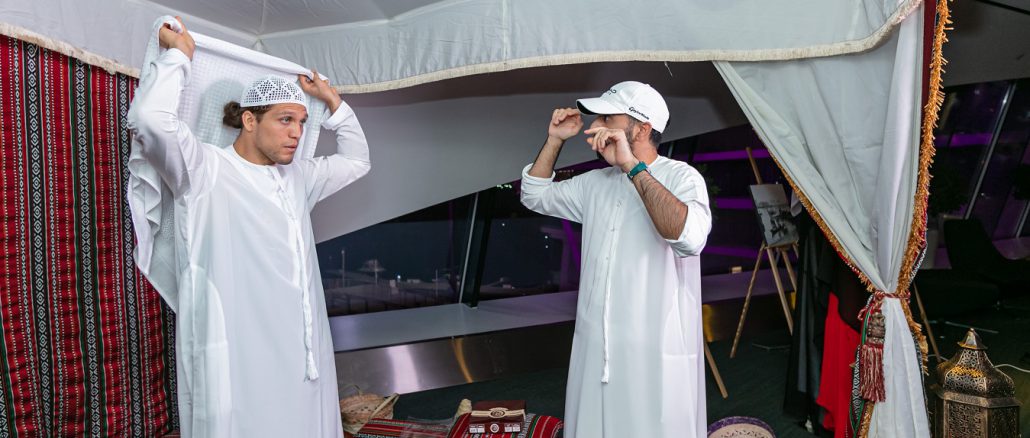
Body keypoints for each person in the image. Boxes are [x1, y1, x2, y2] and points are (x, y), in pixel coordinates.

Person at [127, 18, 370, 437]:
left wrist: (333, 102)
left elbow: (357, 160)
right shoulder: (203, 169)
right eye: (285, 120)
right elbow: (150, 119)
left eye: (301, 122)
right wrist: (179, 57)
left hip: (304, 354)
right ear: (249, 121)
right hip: (239, 353)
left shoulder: (299, 177)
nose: (296, 133)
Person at [520, 81, 712, 437]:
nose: (595, 127)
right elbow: (534, 195)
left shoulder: (682, 177)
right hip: (595, 344)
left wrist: (632, 167)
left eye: (608, 118)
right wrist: (555, 140)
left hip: (653, 346)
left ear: (642, 129)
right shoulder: (595, 182)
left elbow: (689, 238)